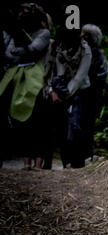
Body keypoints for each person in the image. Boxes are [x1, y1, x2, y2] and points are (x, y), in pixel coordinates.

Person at [0, 2, 51, 170]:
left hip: (36, 82)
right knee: (21, 124)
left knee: (37, 123)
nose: (21, 16)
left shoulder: (43, 33)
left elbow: (32, 50)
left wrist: (21, 51)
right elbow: (9, 54)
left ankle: (37, 164)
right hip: (16, 80)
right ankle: (26, 163)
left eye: (25, 14)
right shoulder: (17, 34)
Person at [46, 11, 92, 169]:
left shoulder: (85, 49)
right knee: (60, 129)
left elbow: (79, 77)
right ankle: (66, 163)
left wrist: (65, 93)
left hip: (79, 92)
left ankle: (77, 164)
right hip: (57, 91)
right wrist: (53, 90)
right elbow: (50, 70)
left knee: (76, 129)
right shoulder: (55, 47)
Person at [81, 24, 108, 161]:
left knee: (88, 127)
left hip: (91, 97)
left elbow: (100, 79)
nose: (83, 37)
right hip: (78, 95)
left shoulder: (97, 55)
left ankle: (87, 156)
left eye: (87, 35)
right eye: (82, 33)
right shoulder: (79, 51)